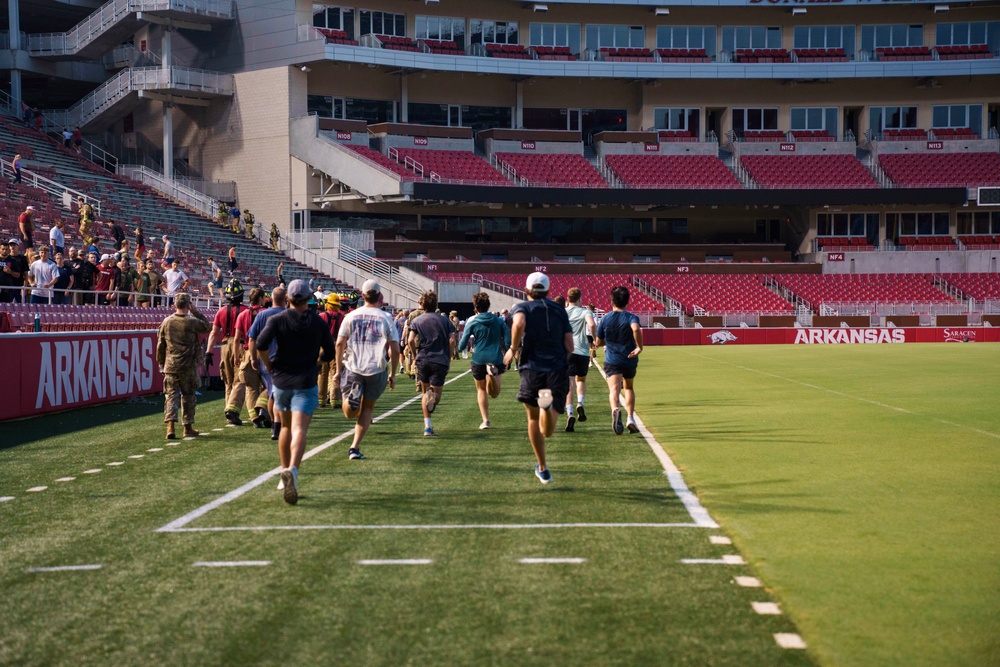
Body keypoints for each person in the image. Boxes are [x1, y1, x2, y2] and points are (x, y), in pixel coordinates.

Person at [255, 279, 336, 505]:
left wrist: (268, 365)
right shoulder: (317, 322)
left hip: (281, 381)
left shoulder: (277, 319)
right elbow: (329, 352)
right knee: (300, 429)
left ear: (288, 298)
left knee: (285, 427)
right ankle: (293, 470)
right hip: (306, 380)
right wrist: (316, 361)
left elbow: (261, 344)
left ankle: (284, 470)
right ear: (309, 298)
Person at [502, 272, 573, 485]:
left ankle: (542, 466)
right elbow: (570, 345)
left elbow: (519, 322)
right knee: (548, 430)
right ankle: (546, 404)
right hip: (556, 368)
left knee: (534, 420)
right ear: (548, 290)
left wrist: (513, 348)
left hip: (532, 368)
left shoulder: (521, 307)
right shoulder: (560, 310)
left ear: (526, 290)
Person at [333, 279, 400, 461]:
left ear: (362, 295)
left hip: (354, 366)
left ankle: (352, 398)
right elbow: (395, 348)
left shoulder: (351, 316)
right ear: (379, 297)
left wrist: (338, 370)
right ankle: (354, 447)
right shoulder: (386, 317)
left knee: (349, 412)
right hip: (376, 368)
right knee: (367, 409)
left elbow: (339, 343)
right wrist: (393, 373)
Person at [157, 293, 212, 440]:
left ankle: (170, 427)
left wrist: (161, 363)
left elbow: (160, 345)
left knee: (170, 396)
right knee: (188, 396)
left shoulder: (166, 322)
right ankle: (187, 426)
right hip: (188, 365)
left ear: (175, 305)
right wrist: (196, 311)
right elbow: (207, 327)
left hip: (171, 365)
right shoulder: (192, 321)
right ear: (188, 305)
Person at [595, 286, 643, 436]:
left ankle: (615, 409)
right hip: (629, 358)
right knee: (628, 388)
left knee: (614, 389)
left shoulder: (605, 318)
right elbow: (635, 329)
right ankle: (630, 418)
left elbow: (598, 342)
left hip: (612, 359)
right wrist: (639, 347)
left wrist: (606, 342)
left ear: (611, 301)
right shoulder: (631, 317)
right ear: (627, 301)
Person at [458, 291, 510, 430]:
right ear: (488, 306)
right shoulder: (498, 321)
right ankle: (492, 375)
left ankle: (485, 421)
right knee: (494, 393)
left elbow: (462, 344)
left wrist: (459, 348)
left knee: (481, 390)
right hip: (495, 356)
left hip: (478, 358)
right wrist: (508, 349)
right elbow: (507, 337)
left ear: (475, 307)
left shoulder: (472, 321)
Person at [407, 290, 455, 437]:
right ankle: (432, 396)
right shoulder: (444, 320)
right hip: (439, 359)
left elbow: (410, 340)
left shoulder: (417, 320)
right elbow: (452, 339)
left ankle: (427, 427)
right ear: (436, 304)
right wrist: (450, 354)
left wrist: (415, 356)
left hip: (423, 359)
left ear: (422, 304)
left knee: (425, 393)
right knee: (436, 396)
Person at [205, 277, 248, 424]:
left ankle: (228, 411)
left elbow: (213, 333)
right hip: (241, 345)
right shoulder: (246, 311)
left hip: (224, 346)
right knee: (240, 378)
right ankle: (233, 409)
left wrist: (209, 352)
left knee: (228, 380)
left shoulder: (221, 311)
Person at [248, 285, 287, 441]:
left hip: (266, 361)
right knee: (278, 395)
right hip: (286, 362)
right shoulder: (290, 315)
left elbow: (252, 338)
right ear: (286, 299)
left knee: (273, 393)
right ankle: (277, 425)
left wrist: (253, 358)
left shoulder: (262, 315)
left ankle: (275, 424)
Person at [228, 287, 271, 429]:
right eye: (264, 297)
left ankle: (254, 417)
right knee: (271, 384)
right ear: (260, 298)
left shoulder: (243, 315)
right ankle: (263, 408)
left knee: (251, 387)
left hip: (247, 353)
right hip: (266, 351)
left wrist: (236, 356)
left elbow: (236, 338)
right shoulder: (266, 314)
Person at [564, 287, 597, 433]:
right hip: (583, 351)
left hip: (568, 350)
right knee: (581, 380)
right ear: (579, 299)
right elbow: (591, 324)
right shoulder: (585, 311)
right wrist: (595, 338)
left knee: (569, 384)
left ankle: (570, 412)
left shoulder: (563, 313)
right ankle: (580, 403)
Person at [317, 293, 345, 408]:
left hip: (323, 346)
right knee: (336, 372)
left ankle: (321, 400)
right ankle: (335, 400)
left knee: (322, 374)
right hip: (337, 346)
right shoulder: (342, 317)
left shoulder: (322, 316)